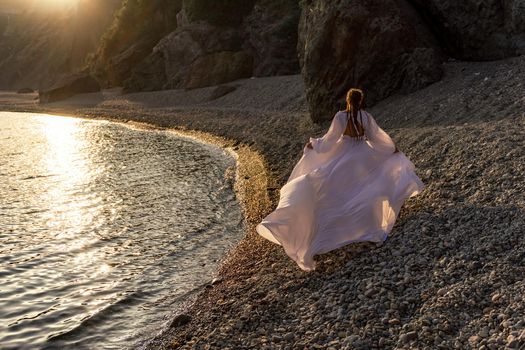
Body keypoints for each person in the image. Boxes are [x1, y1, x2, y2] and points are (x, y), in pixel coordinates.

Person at [256, 88, 424, 271]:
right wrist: (392, 149)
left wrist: (315, 145)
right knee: (363, 188)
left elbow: (331, 139)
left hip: (344, 153)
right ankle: (363, 223)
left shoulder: (341, 117)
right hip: (363, 154)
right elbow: (377, 137)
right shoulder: (365, 117)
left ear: (347, 99)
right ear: (361, 100)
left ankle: (320, 230)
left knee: (331, 188)